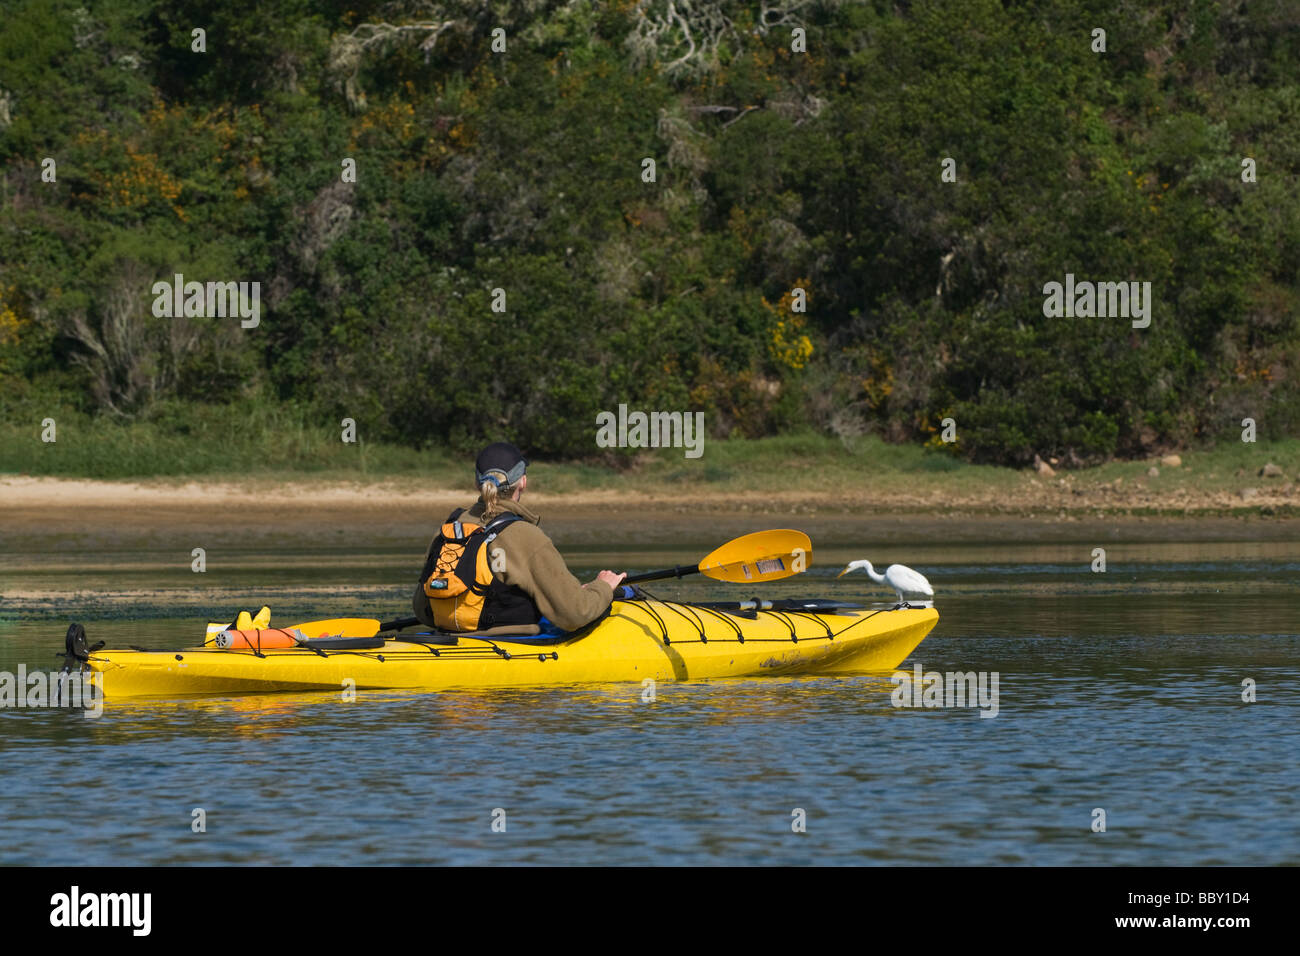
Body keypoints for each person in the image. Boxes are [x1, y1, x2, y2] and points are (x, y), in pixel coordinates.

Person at [413, 442, 627, 634]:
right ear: (523, 481)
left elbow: (422, 610)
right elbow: (575, 613)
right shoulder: (526, 536)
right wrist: (602, 587)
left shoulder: (449, 528)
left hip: (448, 638)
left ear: (477, 483)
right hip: (509, 648)